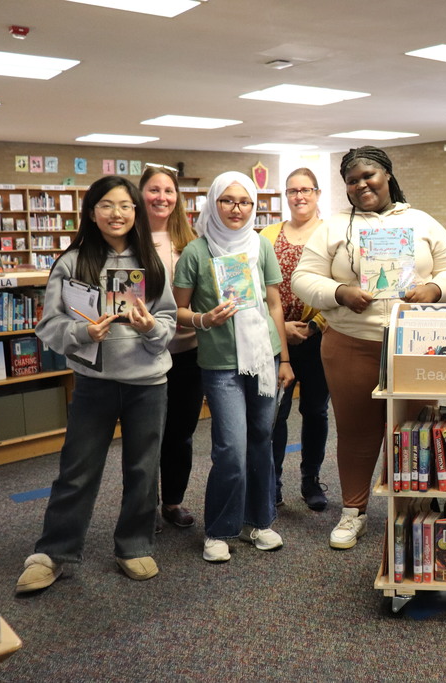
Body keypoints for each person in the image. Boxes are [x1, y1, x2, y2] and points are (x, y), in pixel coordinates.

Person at [292, 146, 446, 549]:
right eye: (352, 180)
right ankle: (353, 512)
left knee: (417, 430)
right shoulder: (334, 227)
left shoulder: (420, 221)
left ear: (387, 175)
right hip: (353, 343)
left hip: (416, 345)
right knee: (356, 431)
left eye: (369, 175)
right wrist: (339, 292)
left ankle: (417, 510)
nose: (361, 184)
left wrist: (435, 289)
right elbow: (304, 277)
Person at [16, 176, 177, 593]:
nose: (117, 214)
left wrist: (149, 329)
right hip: (94, 382)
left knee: (143, 469)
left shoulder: (150, 261)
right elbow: (49, 326)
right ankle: (54, 552)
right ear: (91, 212)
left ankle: (134, 544)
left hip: (148, 382)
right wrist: (85, 334)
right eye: (106, 205)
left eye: (125, 206)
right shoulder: (72, 262)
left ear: (136, 212)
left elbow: (169, 321)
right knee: (78, 469)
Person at [172, 171, 293, 563]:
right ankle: (220, 529)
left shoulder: (260, 246)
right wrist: (205, 320)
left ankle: (260, 521)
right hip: (221, 363)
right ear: (213, 203)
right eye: (227, 200)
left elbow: (275, 304)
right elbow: (176, 312)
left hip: (264, 357)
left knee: (261, 439)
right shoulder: (197, 251)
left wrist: (285, 358)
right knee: (230, 448)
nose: (236, 209)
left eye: (244, 201)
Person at [261, 168, 330, 511]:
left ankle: (311, 480)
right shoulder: (267, 234)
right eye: (292, 191)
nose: (299, 196)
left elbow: (340, 285)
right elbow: (256, 286)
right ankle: (272, 484)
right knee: (276, 412)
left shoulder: (331, 233)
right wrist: (279, 327)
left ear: (317, 193)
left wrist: (314, 324)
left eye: (306, 190)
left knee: (315, 411)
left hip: (318, 338)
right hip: (275, 338)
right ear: (285, 196)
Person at [139, 165, 203, 531]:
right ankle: (142, 506)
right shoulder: (128, 240)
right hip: (145, 352)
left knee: (180, 433)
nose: (162, 197)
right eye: (154, 190)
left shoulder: (190, 241)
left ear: (177, 197)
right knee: (146, 435)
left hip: (189, 351)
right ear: (141, 194)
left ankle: (173, 501)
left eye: (168, 191)